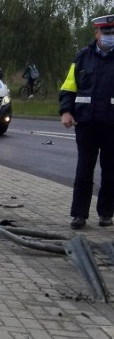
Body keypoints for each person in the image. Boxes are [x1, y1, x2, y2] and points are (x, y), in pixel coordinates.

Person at [59, 13, 114, 229]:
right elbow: (68, 87)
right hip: (86, 123)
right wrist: (66, 111)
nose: (110, 36)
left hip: (112, 125)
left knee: (111, 171)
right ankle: (79, 215)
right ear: (97, 33)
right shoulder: (83, 57)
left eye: (113, 33)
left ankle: (106, 213)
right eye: (106, 32)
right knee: (84, 170)